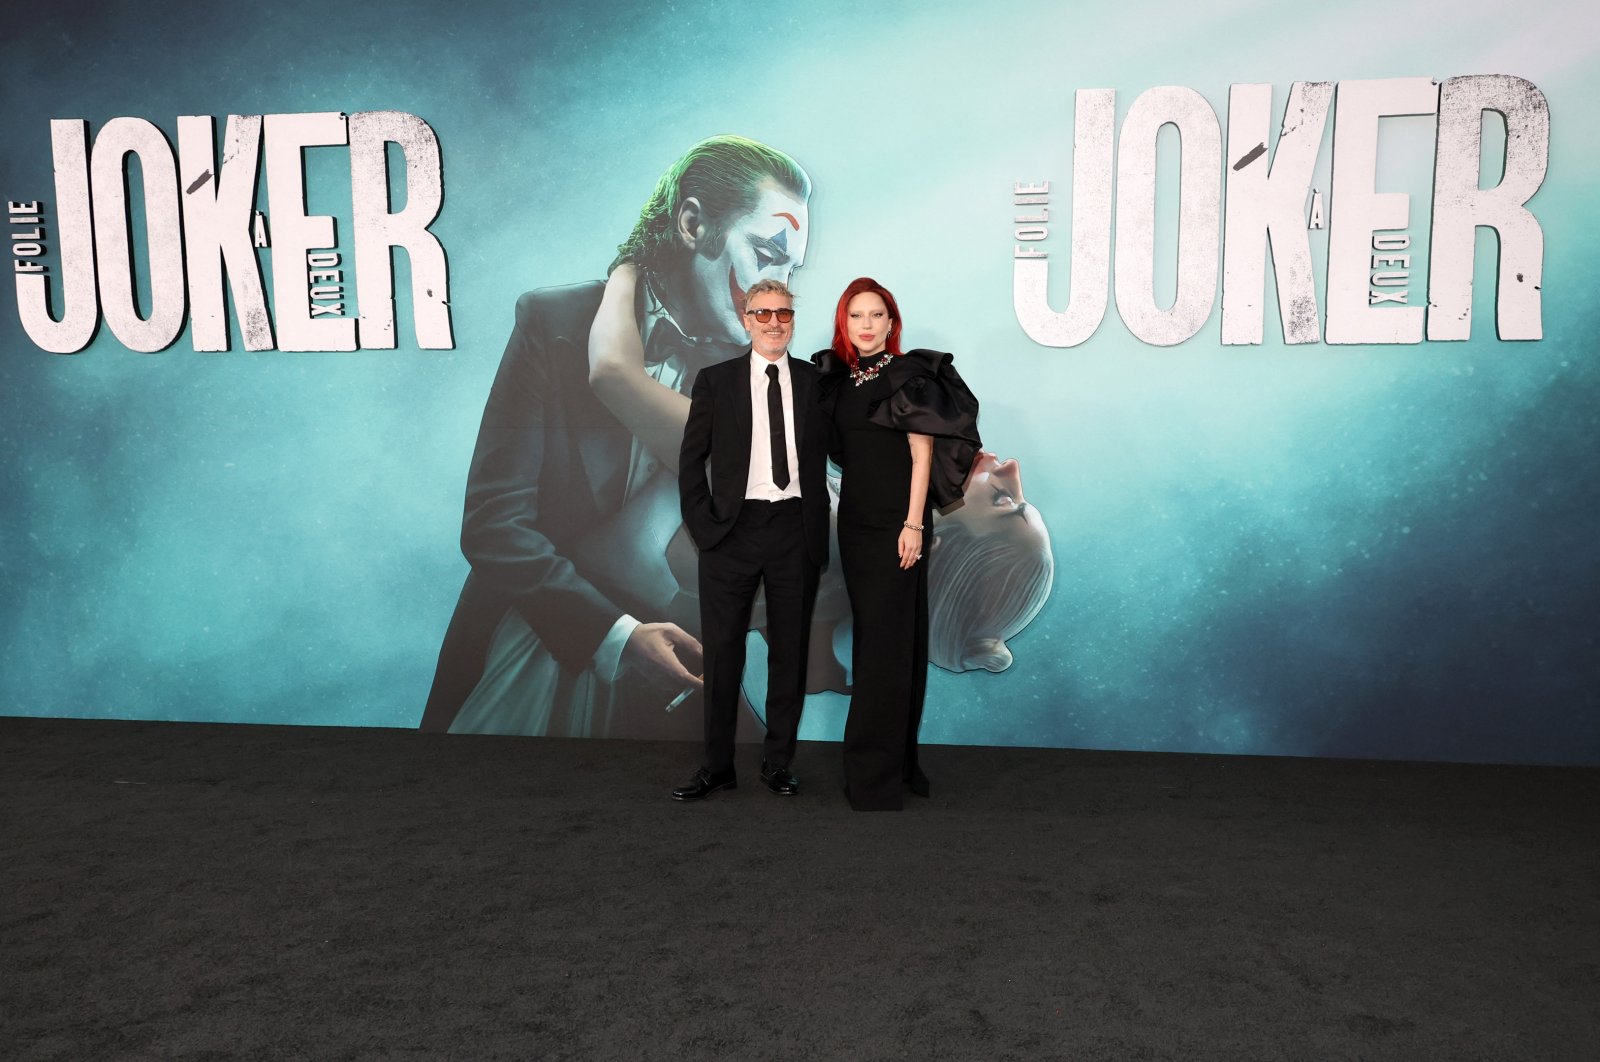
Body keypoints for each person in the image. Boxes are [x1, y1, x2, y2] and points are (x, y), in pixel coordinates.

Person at [419, 135, 811, 740]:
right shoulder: (555, 324)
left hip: (666, 698)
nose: (777, 289)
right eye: (766, 253)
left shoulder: (764, 381)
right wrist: (617, 638)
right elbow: (494, 524)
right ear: (691, 223)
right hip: (520, 669)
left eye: (789, 268)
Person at [814, 277, 980, 811]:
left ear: (892, 323)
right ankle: (899, 766)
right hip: (856, 526)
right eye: (856, 316)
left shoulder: (910, 376)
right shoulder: (838, 380)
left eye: (876, 315)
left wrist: (913, 525)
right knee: (886, 643)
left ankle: (873, 779)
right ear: (846, 322)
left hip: (898, 527)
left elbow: (922, 456)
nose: (866, 325)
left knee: (883, 651)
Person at [671, 279, 829, 800]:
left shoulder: (814, 382)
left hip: (794, 530)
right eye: (762, 314)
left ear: (792, 319)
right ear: (745, 318)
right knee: (722, 654)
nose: (773, 322)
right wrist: (704, 527)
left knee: (789, 652)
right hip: (730, 534)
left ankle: (778, 763)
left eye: (782, 313)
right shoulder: (715, 381)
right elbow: (691, 461)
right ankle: (716, 766)